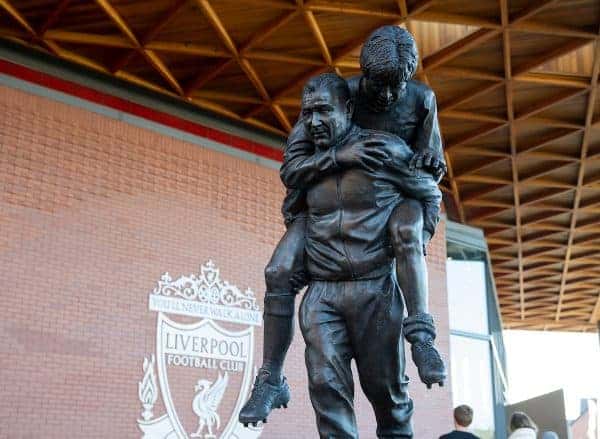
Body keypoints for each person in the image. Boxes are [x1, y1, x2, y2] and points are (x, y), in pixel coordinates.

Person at [240, 26, 447, 426]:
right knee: (279, 270)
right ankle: (270, 376)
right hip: (319, 239)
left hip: (378, 255)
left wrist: (416, 235)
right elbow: (291, 170)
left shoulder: (417, 106)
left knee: (387, 395)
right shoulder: (330, 97)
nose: (387, 98)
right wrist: (341, 155)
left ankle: (421, 333)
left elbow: (430, 179)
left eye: (396, 88)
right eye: (378, 86)